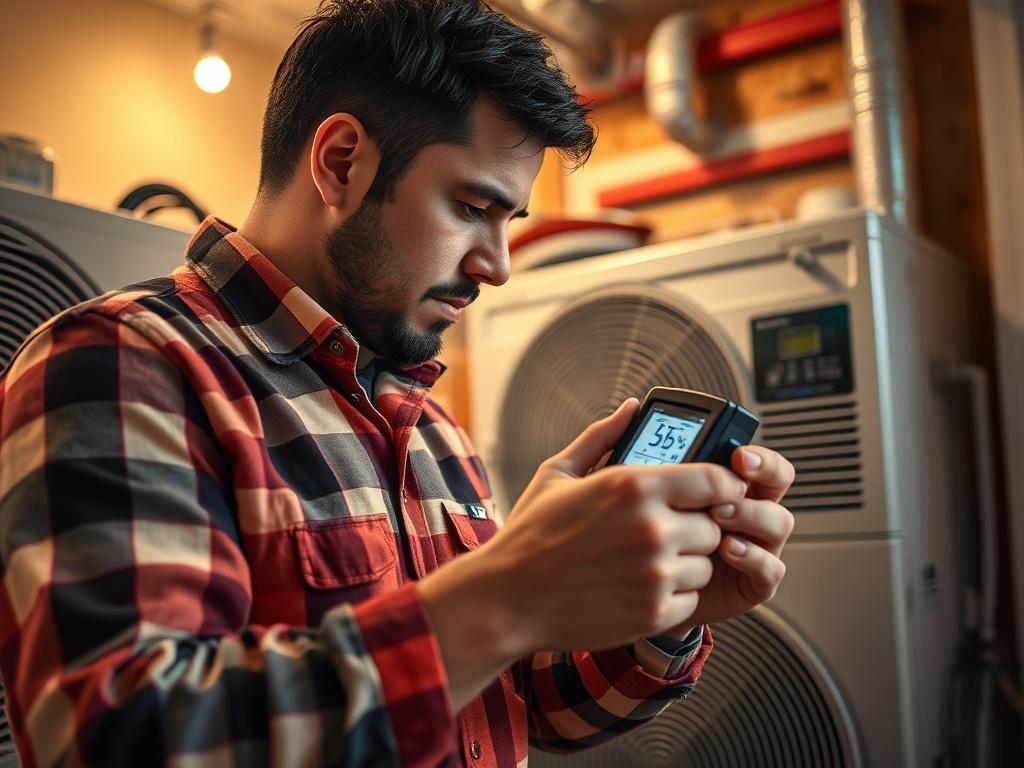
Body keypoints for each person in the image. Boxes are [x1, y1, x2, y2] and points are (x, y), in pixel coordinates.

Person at [0, 1, 795, 766]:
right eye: (473, 206)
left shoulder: (429, 423)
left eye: (507, 222)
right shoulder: (121, 364)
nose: (498, 265)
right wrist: (510, 589)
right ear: (342, 162)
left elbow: (516, 706)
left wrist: (658, 617)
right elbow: (118, 738)